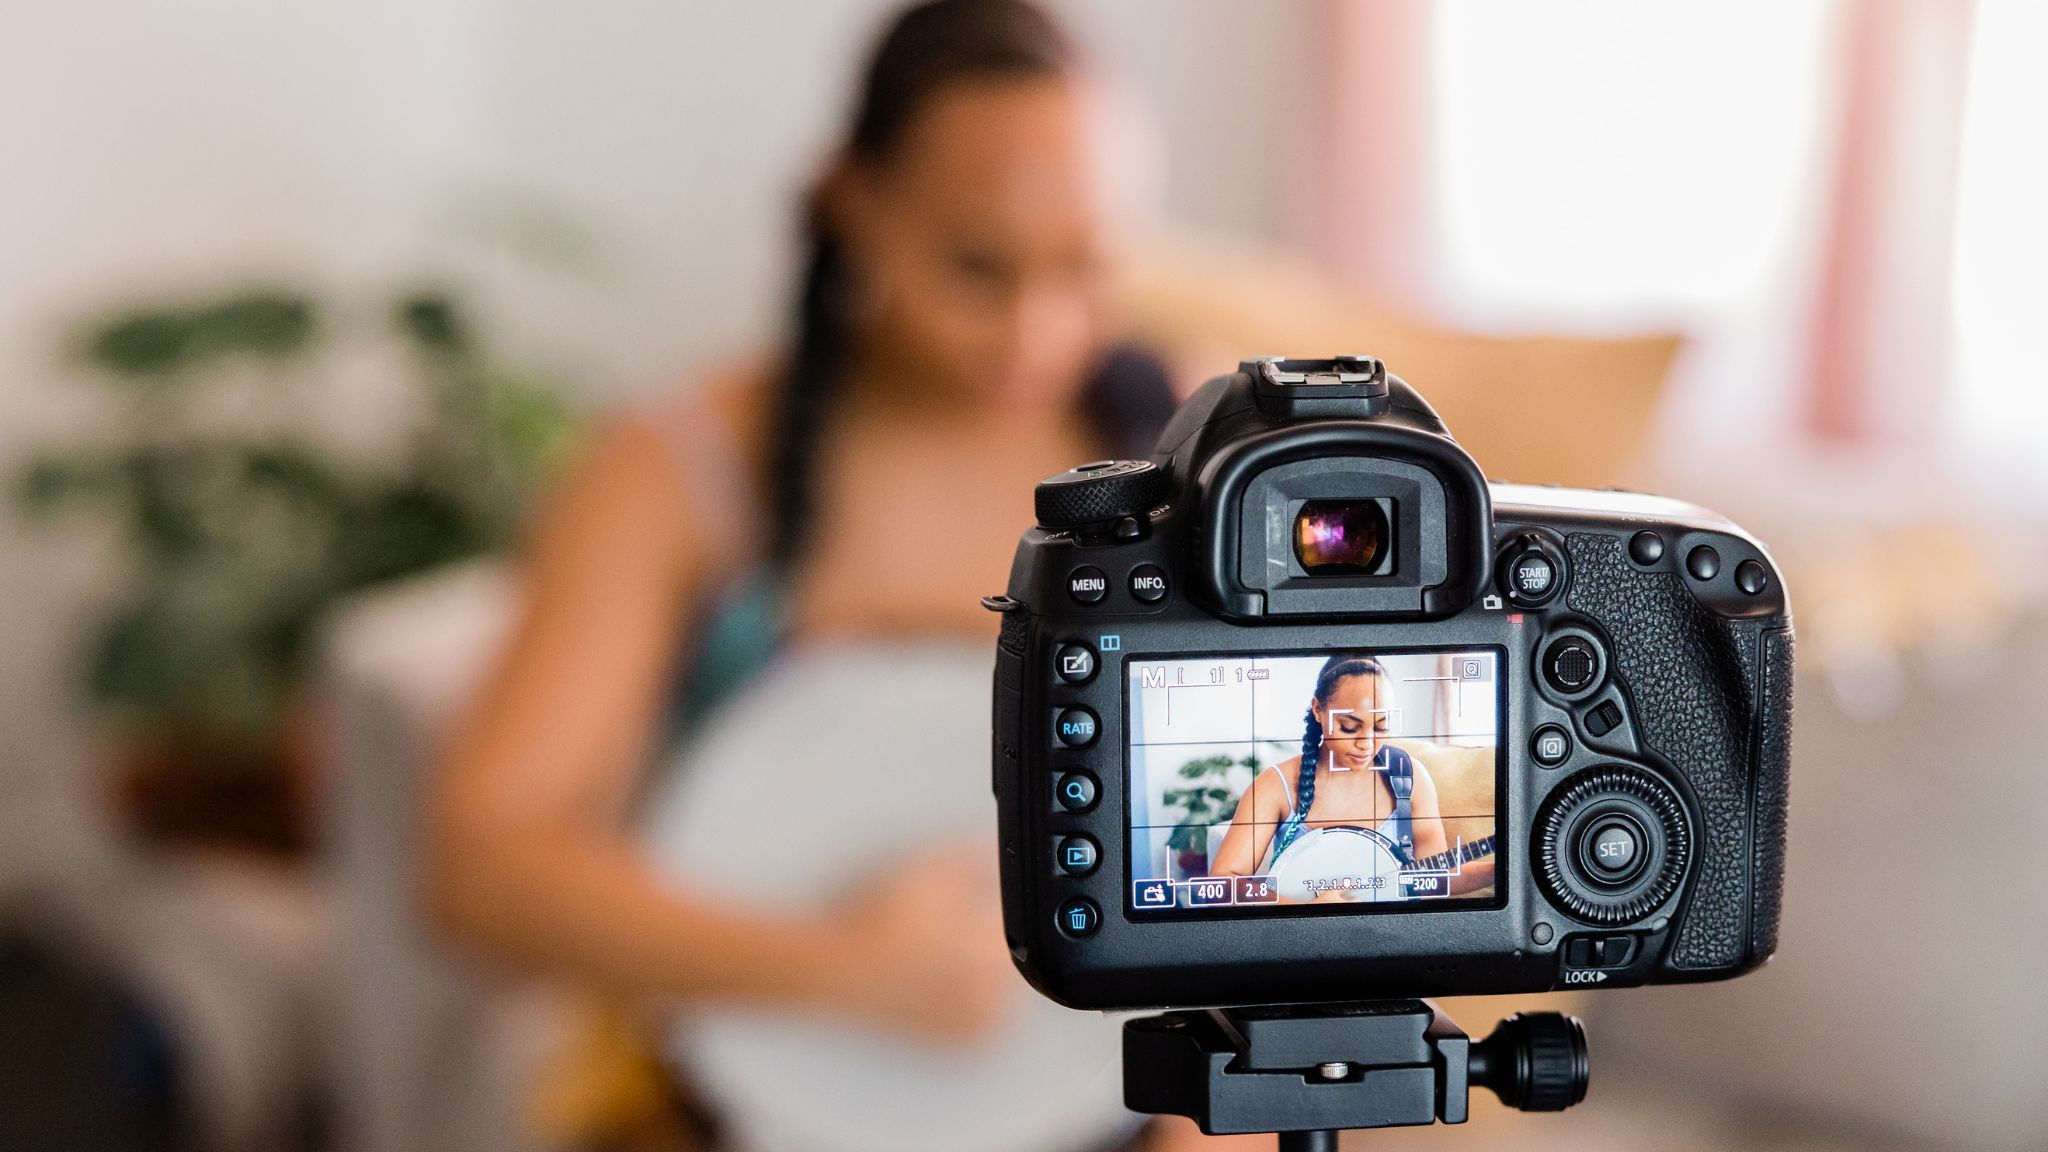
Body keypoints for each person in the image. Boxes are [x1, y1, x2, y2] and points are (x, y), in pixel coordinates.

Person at [427, 2, 1252, 1148]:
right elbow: (483, 868)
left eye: (1086, 266)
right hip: (746, 1108)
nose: (1035, 329)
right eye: (977, 266)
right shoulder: (678, 475)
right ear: (850, 205)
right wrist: (840, 972)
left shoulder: (1199, 448)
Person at [1210, 655, 1496, 901]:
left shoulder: (1409, 776)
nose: (1367, 744)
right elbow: (1222, 884)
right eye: (1350, 727)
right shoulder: (1276, 785)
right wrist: (1303, 910)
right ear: (1318, 710)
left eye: (1381, 727)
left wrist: (1500, 869)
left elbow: (1434, 880)